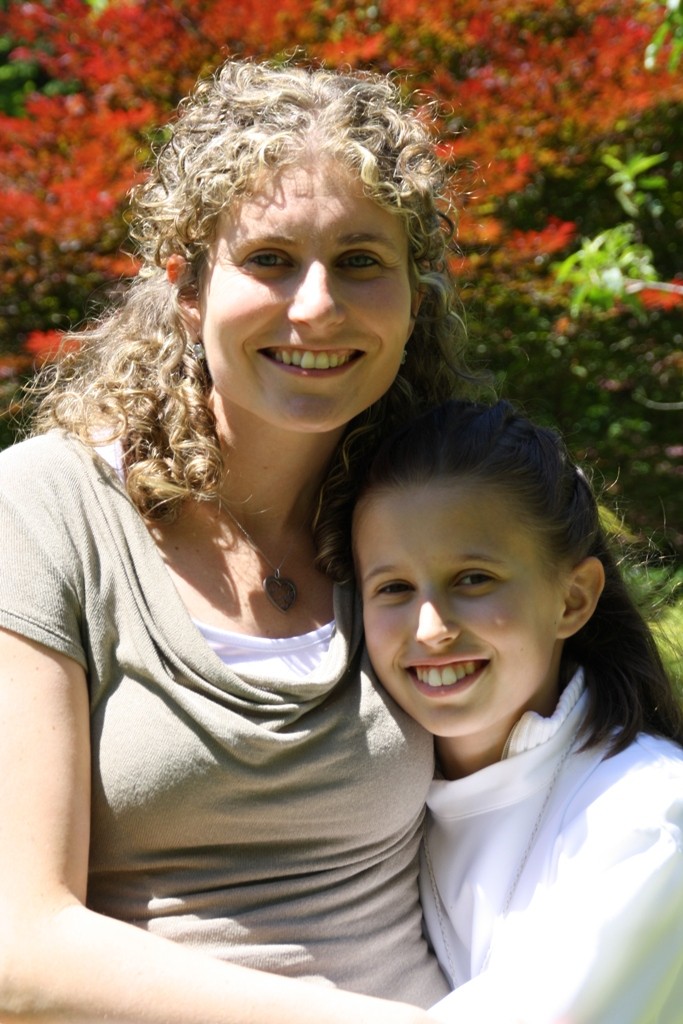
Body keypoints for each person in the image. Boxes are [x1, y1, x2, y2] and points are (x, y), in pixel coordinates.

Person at [0, 58, 470, 1023]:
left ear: (412, 299)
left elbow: (570, 770)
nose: (315, 307)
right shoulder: (43, 511)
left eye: (360, 261)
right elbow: (20, 951)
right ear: (185, 287)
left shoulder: (443, 517)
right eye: (268, 260)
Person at [352, 399, 683, 1024]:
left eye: (473, 579)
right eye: (394, 588)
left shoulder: (647, 814)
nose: (431, 628)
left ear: (573, 598)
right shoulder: (378, 809)